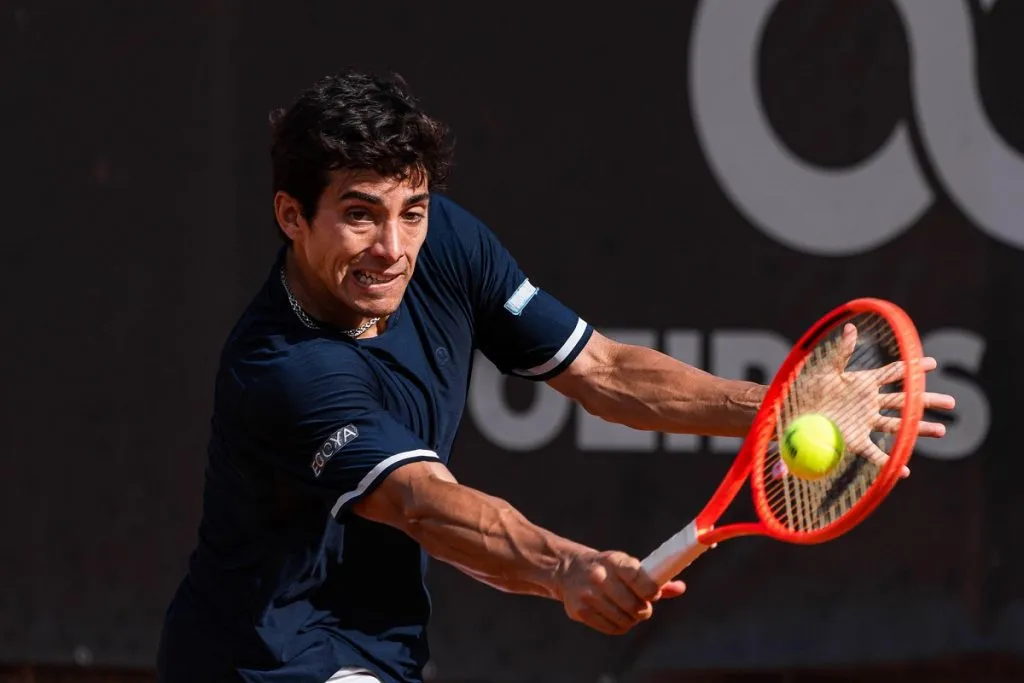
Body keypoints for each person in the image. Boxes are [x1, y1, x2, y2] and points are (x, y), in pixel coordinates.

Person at [156, 71, 955, 683]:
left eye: (412, 210)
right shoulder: (284, 368)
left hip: (376, 644)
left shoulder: (445, 244)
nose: (394, 248)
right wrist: (565, 567)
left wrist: (780, 404)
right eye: (360, 214)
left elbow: (604, 370)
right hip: (262, 657)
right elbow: (424, 503)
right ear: (292, 216)